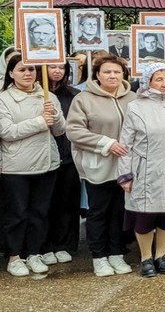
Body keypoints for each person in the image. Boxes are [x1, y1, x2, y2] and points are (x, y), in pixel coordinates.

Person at [117, 63, 165, 278]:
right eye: (158, 79)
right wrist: (125, 174)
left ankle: (161, 255)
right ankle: (146, 258)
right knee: (144, 216)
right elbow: (126, 143)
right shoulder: (136, 107)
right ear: (148, 82)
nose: (164, 83)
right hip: (145, 170)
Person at [66, 54, 137, 277]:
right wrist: (106, 143)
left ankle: (116, 253)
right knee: (98, 212)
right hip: (99, 165)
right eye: (107, 71)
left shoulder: (133, 98)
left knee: (119, 211)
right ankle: (99, 256)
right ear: (97, 74)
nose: (112, 76)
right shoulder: (84, 99)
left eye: (116, 71)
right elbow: (74, 131)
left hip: (127, 166)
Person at [0, 54, 66, 276]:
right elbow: (7, 132)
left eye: (31, 69)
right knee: (17, 213)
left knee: (40, 212)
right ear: (11, 73)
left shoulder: (48, 96)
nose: (27, 74)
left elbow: (60, 130)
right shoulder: (3, 99)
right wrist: (39, 121)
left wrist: (54, 115)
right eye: (21, 70)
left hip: (47, 163)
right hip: (16, 166)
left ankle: (34, 253)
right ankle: (14, 257)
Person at [40, 62, 81, 266]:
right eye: (52, 67)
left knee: (66, 201)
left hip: (68, 155)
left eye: (61, 67)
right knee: (45, 202)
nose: (57, 71)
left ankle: (64, 243)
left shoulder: (74, 95)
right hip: (42, 157)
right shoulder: (37, 95)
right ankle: (44, 245)